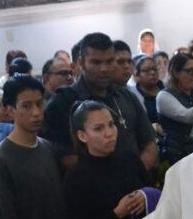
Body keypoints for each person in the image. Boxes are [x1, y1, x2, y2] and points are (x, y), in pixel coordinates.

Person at [43, 32, 156, 169]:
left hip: (137, 183)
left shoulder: (127, 96)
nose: (103, 69)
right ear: (81, 63)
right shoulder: (63, 101)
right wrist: (110, 180)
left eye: (109, 62)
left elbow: (149, 143)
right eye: (96, 62)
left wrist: (136, 175)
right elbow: (64, 156)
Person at [0, 76, 69, 219]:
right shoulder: (2, 160)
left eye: (39, 104)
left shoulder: (46, 146)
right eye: (26, 106)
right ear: (9, 111)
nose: (36, 113)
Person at [64, 101, 153, 219]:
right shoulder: (76, 177)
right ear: (82, 136)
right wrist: (117, 213)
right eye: (98, 129)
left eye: (111, 124)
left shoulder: (129, 158)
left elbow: (151, 188)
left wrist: (144, 197)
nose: (109, 133)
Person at [157, 52, 193, 165]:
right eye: (189, 71)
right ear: (176, 73)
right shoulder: (164, 96)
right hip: (179, 153)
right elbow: (187, 116)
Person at [132, 55, 164, 129]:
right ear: (137, 75)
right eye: (146, 70)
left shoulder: (167, 90)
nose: (152, 73)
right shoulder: (133, 94)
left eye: (154, 69)